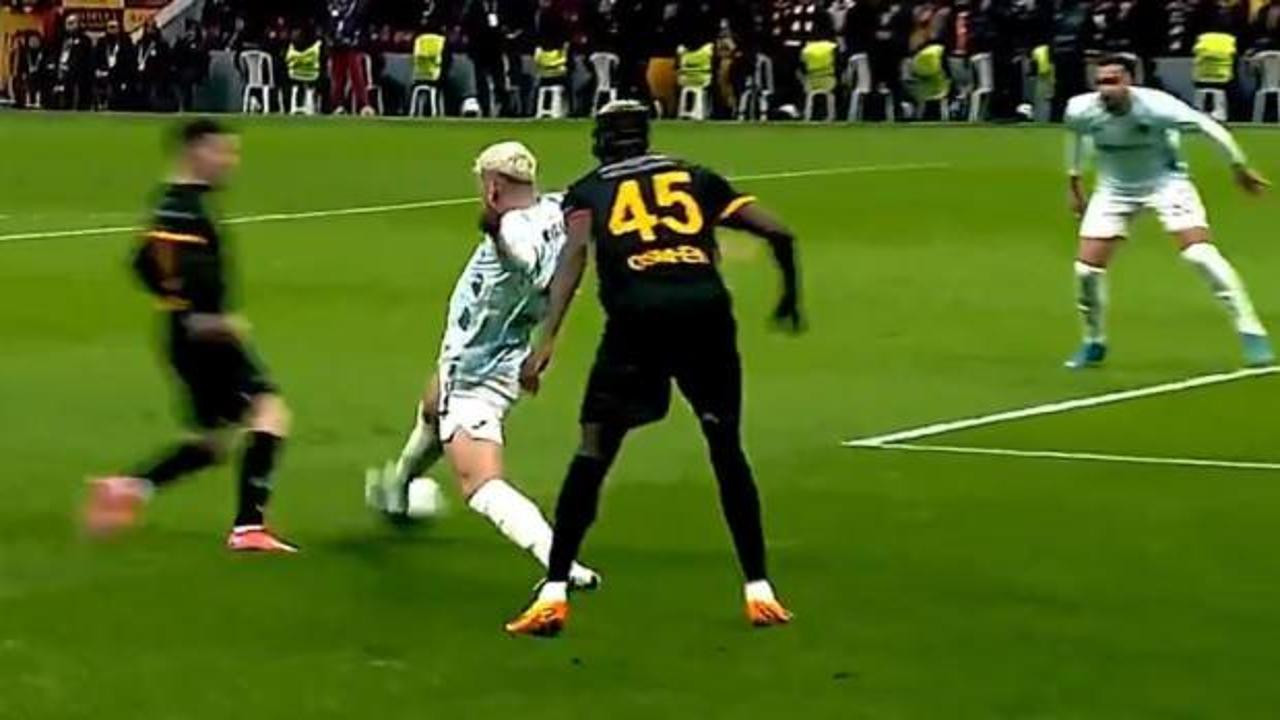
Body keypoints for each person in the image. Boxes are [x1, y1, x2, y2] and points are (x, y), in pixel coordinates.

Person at [505, 101, 803, 637]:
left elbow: (574, 256)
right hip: (706, 317)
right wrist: (790, 298)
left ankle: (553, 592)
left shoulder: (589, 190)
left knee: (594, 450)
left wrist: (547, 340)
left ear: (601, 142)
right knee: (726, 448)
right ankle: (760, 590)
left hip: (636, 323)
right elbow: (780, 233)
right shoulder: (696, 177)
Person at [364, 142, 600, 590]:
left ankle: (560, 562)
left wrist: (495, 232)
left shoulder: (512, 227)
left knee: (480, 482)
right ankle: (397, 489)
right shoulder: (557, 209)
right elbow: (576, 255)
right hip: (502, 351)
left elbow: (521, 258)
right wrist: (548, 341)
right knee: (433, 408)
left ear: (492, 187)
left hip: (478, 370)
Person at [85, 120, 296, 554]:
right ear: (195, 151)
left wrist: (172, 299)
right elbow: (190, 272)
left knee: (213, 442)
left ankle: (129, 487)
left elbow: (141, 262)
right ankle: (249, 527)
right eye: (222, 152)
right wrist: (208, 317)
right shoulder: (189, 212)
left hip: (179, 332)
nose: (229, 162)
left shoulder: (169, 203)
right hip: (206, 336)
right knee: (269, 413)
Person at [1063, 55, 1274, 370]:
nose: (1105, 89)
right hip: (1114, 189)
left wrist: (1238, 167)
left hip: (1165, 183)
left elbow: (1209, 127)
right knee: (1086, 271)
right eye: (1101, 82)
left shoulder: (1158, 106)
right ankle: (1093, 342)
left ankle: (1251, 331)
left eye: (1113, 81)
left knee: (1200, 255)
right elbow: (1076, 137)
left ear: (1129, 81)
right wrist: (1074, 180)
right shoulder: (1080, 109)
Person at [94, 19, 137, 110]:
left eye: (114, 27)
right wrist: (98, 70)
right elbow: (96, 58)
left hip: (120, 76)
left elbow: (129, 61)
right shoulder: (102, 42)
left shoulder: (125, 41)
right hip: (104, 74)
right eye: (110, 27)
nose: (112, 29)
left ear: (119, 28)